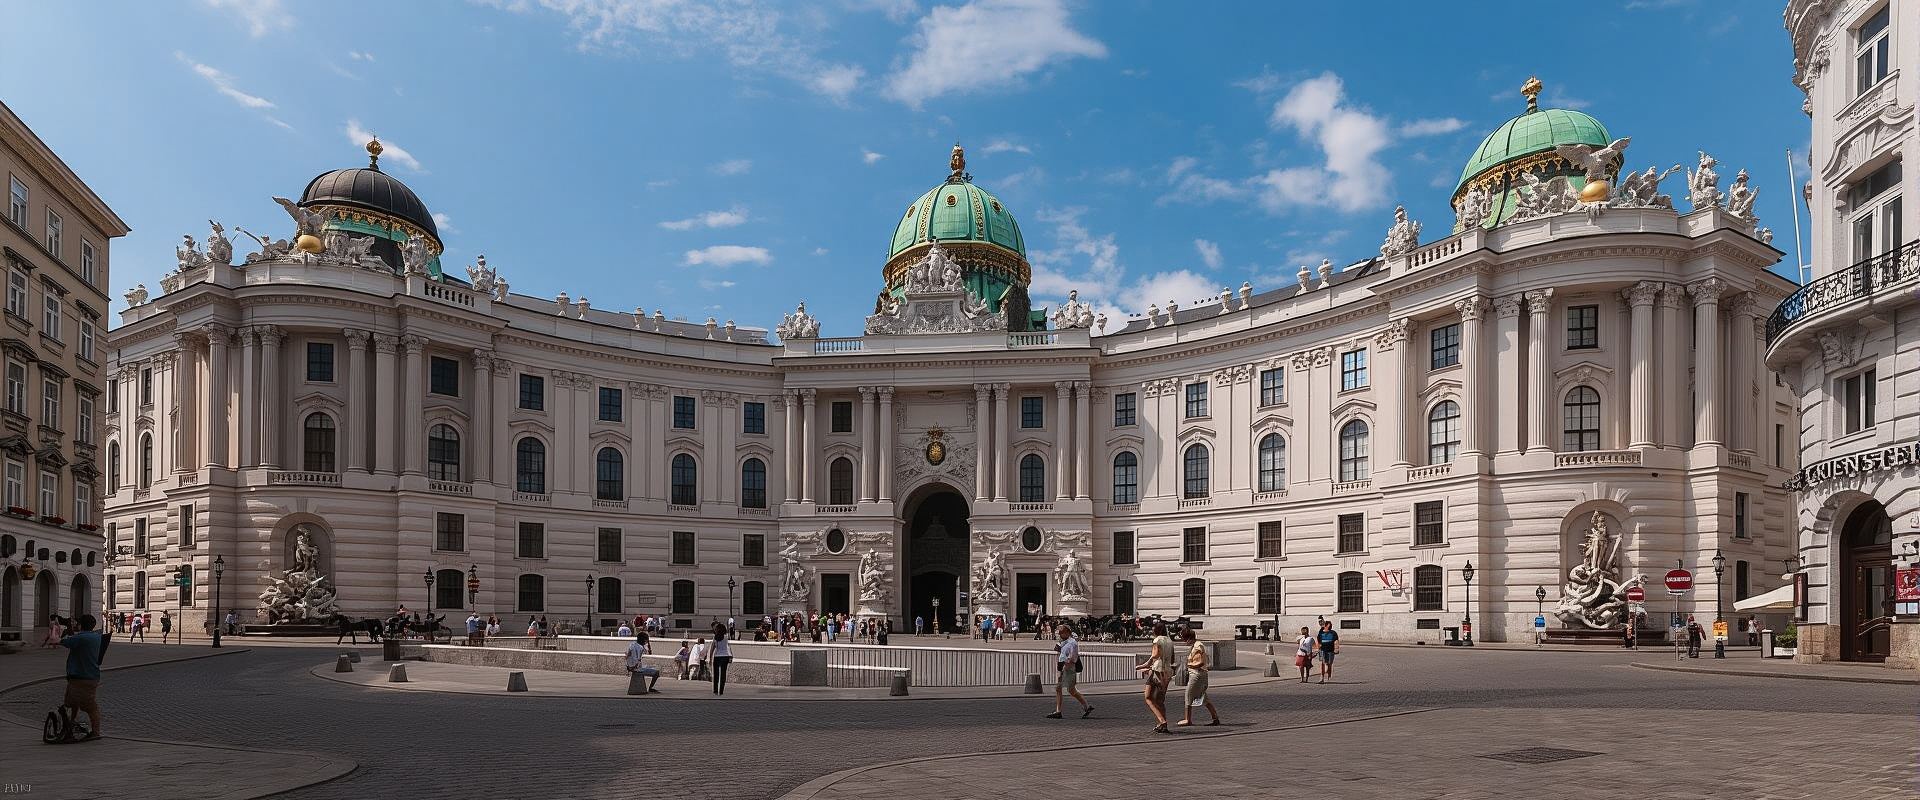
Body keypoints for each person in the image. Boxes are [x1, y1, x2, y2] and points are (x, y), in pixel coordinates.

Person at [57, 614, 106, 741]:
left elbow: (63, 641)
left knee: (90, 706)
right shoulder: (96, 637)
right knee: (73, 702)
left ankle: (95, 732)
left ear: (80, 625)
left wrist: (64, 634)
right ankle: (71, 724)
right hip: (90, 675)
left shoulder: (81, 638)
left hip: (81, 676)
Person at [1046, 624, 1092, 720]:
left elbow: (1073, 657)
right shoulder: (1064, 642)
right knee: (1063, 689)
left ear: (1066, 633)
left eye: (1061, 634)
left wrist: (1065, 665)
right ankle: (1059, 711)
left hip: (1069, 668)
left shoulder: (1072, 643)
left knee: (1070, 690)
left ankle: (1086, 706)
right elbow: (1060, 653)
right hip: (1065, 667)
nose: (1059, 636)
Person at [1177, 627, 1220, 727]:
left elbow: (1200, 662)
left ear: (1188, 638)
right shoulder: (1197, 645)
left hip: (1196, 675)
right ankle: (1215, 718)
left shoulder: (1197, 647)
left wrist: (1189, 665)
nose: (1184, 642)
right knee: (1204, 697)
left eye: (1184, 639)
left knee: (1188, 695)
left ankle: (1188, 719)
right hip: (1200, 675)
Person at [1136, 621, 1173, 734]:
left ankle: (1162, 721)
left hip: (1157, 671)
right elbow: (1172, 658)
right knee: (1160, 700)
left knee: (1148, 697)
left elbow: (1155, 655)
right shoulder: (1169, 641)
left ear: (1156, 630)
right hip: (1167, 671)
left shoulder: (1157, 640)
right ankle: (1163, 725)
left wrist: (1145, 665)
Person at [707, 622, 734, 695]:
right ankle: (721, 691)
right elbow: (728, 647)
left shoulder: (715, 637)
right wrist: (731, 656)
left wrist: (710, 658)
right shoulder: (726, 637)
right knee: (723, 674)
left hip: (717, 656)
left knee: (716, 675)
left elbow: (712, 648)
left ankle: (715, 690)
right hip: (725, 656)